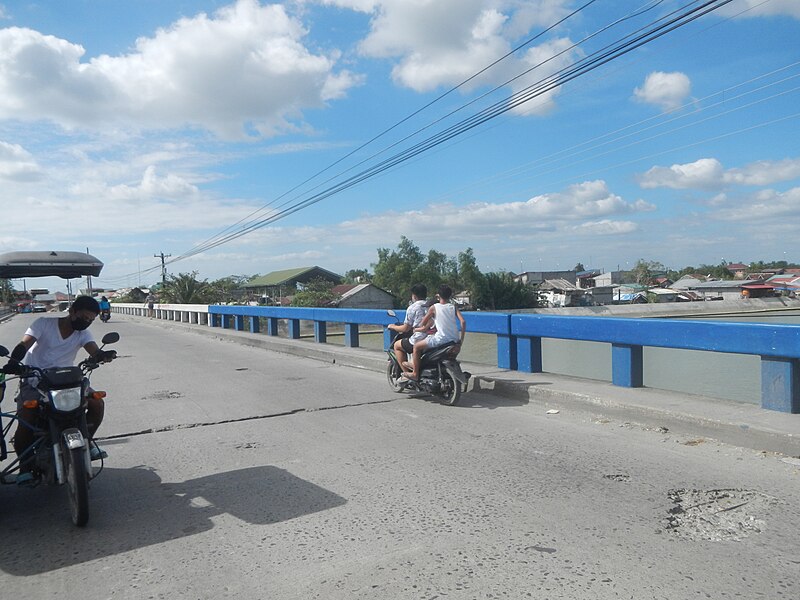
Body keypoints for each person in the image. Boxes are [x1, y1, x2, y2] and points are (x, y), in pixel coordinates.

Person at [2, 296, 116, 485]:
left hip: (67, 379)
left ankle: (87, 441)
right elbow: (24, 344)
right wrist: (14, 363)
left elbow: (93, 351)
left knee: (97, 403)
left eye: (90, 320)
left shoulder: (83, 334)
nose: (86, 322)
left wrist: (102, 355)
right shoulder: (43, 324)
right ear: (72, 311)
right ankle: (24, 465)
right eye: (84, 317)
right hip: (35, 379)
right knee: (27, 415)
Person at [403, 284, 466, 381]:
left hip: (440, 339)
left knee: (416, 346)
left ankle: (415, 373)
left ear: (438, 296)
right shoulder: (453, 307)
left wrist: (421, 324)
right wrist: (461, 339)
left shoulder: (434, 307)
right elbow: (463, 321)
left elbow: (423, 323)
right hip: (454, 340)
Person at [387, 284, 428, 373]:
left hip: (419, 338)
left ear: (414, 296)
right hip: (432, 337)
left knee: (397, 346)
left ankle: (406, 374)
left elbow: (405, 328)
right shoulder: (431, 306)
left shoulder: (413, 308)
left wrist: (393, 327)